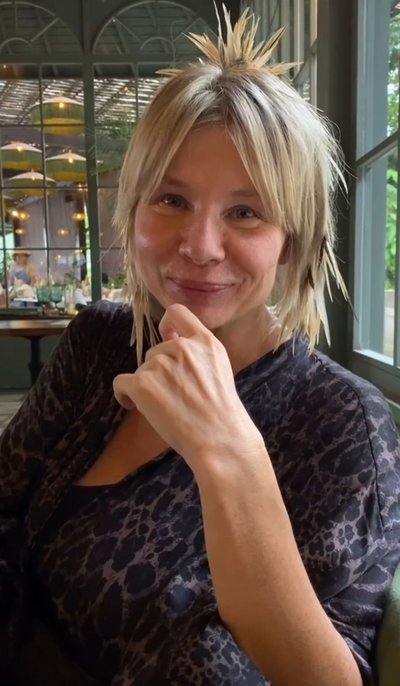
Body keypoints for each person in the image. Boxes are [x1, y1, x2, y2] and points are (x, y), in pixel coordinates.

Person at [0, 7, 399, 686]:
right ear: (134, 209)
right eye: (172, 200)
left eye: (245, 212)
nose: (200, 246)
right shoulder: (102, 341)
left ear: (291, 241)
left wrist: (229, 456)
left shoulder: (343, 425)